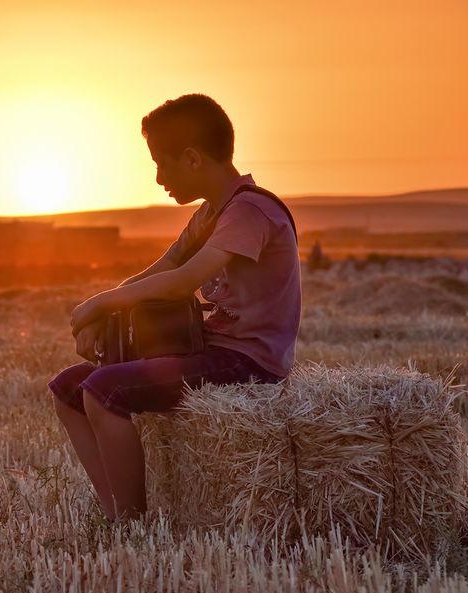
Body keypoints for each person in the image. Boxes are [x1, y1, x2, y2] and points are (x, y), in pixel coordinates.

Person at [47, 93, 302, 523]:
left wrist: (100, 301)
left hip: (249, 362)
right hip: (208, 353)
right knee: (68, 389)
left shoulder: (251, 210)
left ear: (192, 158)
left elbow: (183, 281)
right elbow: (159, 270)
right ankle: (114, 513)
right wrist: (100, 318)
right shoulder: (210, 215)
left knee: (103, 391)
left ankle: (131, 524)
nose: (159, 177)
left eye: (161, 163)